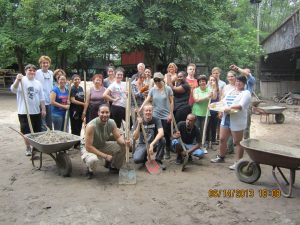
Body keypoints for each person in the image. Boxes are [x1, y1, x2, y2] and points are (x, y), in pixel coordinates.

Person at [210, 75, 251, 170]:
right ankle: (221, 157)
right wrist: (214, 105)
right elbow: (223, 102)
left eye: (240, 81)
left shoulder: (246, 93)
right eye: (237, 81)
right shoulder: (231, 91)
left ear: (244, 83)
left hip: (237, 120)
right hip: (226, 118)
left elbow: (241, 106)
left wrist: (229, 108)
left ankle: (238, 162)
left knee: (237, 142)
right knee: (222, 139)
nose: (238, 83)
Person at [81, 104, 127, 179]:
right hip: (88, 148)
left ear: (110, 113)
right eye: (102, 112)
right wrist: (105, 156)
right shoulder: (91, 126)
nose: (105, 115)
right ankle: (90, 170)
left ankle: (115, 167)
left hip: (101, 144)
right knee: (93, 160)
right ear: (98, 113)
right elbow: (88, 147)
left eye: (107, 112)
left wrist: (124, 142)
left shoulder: (111, 122)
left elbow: (118, 137)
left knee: (122, 146)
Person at [10, 64, 46, 156]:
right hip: (24, 112)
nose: (32, 72)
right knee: (26, 132)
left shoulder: (38, 83)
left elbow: (42, 98)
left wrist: (43, 109)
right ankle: (28, 147)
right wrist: (17, 80)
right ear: (25, 71)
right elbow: (13, 90)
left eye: (34, 70)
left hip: (36, 111)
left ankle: (36, 147)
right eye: (29, 70)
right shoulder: (21, 80)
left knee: (37, 131)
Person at [140, 72, 174, 159]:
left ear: (162, 80)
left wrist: (171, 114)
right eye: (155, 81)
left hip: (165, 115)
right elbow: (147, 99)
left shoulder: (168, 89)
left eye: (159, 80)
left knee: (166, 134)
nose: (157, 83)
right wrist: (140, 108)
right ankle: (157, 151)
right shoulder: (152, 90)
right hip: (155, 115)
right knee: (156, 134)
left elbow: (172, 102)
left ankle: (168, 150)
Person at [133, 103, 166, 169]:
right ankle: (144, 158)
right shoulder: (139, 120)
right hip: (143, 144)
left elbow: (161, 133)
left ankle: (158, 160)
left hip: (154, 144)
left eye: (150, 110)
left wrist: (152, 144)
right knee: (137, 160)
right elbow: (135, 137)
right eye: (146, 110)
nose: (148, 112)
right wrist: (139, 125)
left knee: (162, 140)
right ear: (143, 112)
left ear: (152, 111)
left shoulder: (156, 120)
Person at [229, 64, 256, 139]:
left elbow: (247, 74)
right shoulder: (238, 81)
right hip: (236, 103)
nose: (244, 73)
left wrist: (237, 68)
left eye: (247, 72)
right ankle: (236, 142)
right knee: (234, 122)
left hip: (246, 104)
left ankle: (246, 142)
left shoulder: (251, 81)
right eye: (243, 71)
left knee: (246, 125)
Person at [192, 75, 214, 144]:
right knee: (195, 129)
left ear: (206, 82)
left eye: (204, 81)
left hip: (206, 113)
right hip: (196, 112)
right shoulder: (196, 90)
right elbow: (196, 100)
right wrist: (207, 96)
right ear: (198, 82)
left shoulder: (210, 90)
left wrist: (213, 91)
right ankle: (194, 143)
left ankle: (202, 144)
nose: (202, 82)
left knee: (203, 130)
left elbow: (213, 98)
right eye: (200, 81)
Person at [35, 56, 53, 130]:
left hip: (49, 101)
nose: (45, 64)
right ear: (40, 64)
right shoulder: (37, 73)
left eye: (47, 63)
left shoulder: (51, 73)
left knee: (49, 121)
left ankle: (50, 137)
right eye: (43, 63)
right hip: (41, 101)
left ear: (49, 64)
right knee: (42, 122)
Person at [69, 74, 85, 145]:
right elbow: (72, 100)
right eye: (75, 79)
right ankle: (74, 143)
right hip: (74, 110)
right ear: (72, 81)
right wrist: (83, 104)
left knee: (79, 125)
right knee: (74, 126)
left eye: (78, 79)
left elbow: (82, 98)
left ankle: (78, 141)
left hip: (80, 109)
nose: (77, 81)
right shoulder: (72, 89)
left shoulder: (81, 88)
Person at [206, 75, 220, 146]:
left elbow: (214, 97)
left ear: (216, 81)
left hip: (214, 110)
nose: (212, 81)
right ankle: (207, 140)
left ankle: (213, 140)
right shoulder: (206, 88)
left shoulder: (217, 89)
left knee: (214, 126)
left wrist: (214, 88)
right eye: (210, 80)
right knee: (207, 126)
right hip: (207, 110)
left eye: (213, 80)